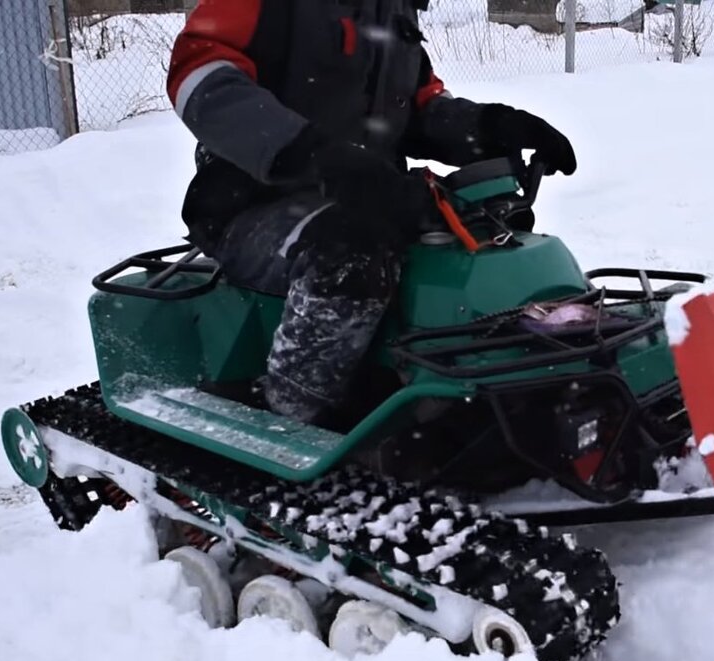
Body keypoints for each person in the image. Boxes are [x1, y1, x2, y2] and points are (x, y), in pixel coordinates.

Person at [166, 0, 577, 426]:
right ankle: (289, 413)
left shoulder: (390, 9)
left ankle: (465, 406)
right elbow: (199, 76)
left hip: (370, 200)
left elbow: (418, 108)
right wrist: (310, 152)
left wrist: (492, 125)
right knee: (351, 249)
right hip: (254, 205)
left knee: (473, 249)